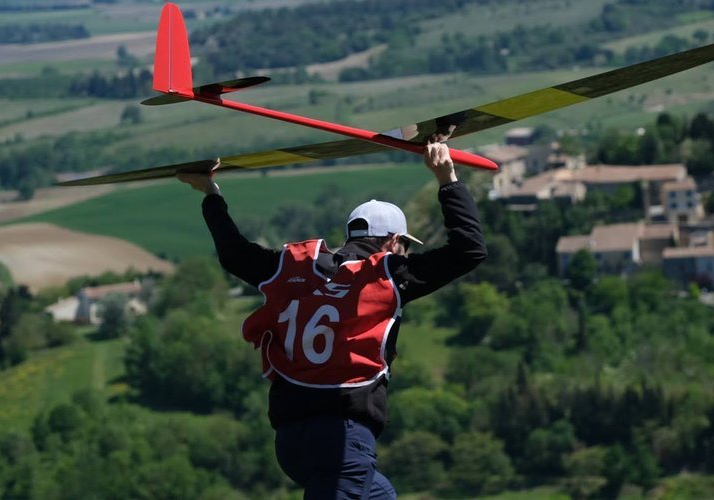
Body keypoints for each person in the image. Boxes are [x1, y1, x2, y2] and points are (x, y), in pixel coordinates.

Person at [176, 137, 486, 499]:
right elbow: (469, 250)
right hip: (343, 439)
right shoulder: (388, 274)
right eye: (403, 246)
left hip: (292, 443)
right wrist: (447, 177)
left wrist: (210, 193)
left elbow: (235, 254)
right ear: (391, 242)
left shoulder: (292, 266)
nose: (404, 254)